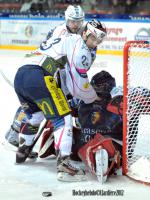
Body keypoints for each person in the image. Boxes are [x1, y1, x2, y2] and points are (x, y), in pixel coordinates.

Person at [13, 19, 107, 182]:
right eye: (93, 38)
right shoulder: (81, 47)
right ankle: (64, 166)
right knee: (63, 118)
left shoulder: (68, 39)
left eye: (99, 40)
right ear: (85, 33)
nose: (95, 43)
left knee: (35, 116)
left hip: (21, 74)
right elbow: (78, 85)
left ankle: (23, 151)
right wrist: (93, 97)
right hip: (39, 76)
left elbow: (65, 80)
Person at [5, 4, 96, 148]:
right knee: (36, 101)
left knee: (73, 99)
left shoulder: (87, 33)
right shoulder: (58, 31)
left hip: (68, 72)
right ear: (66, 19)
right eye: (72, 21)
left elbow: (87, 60)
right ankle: (14, 131)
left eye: (78, 21)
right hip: (50, 71)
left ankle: (76, 134)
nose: (75, 25)